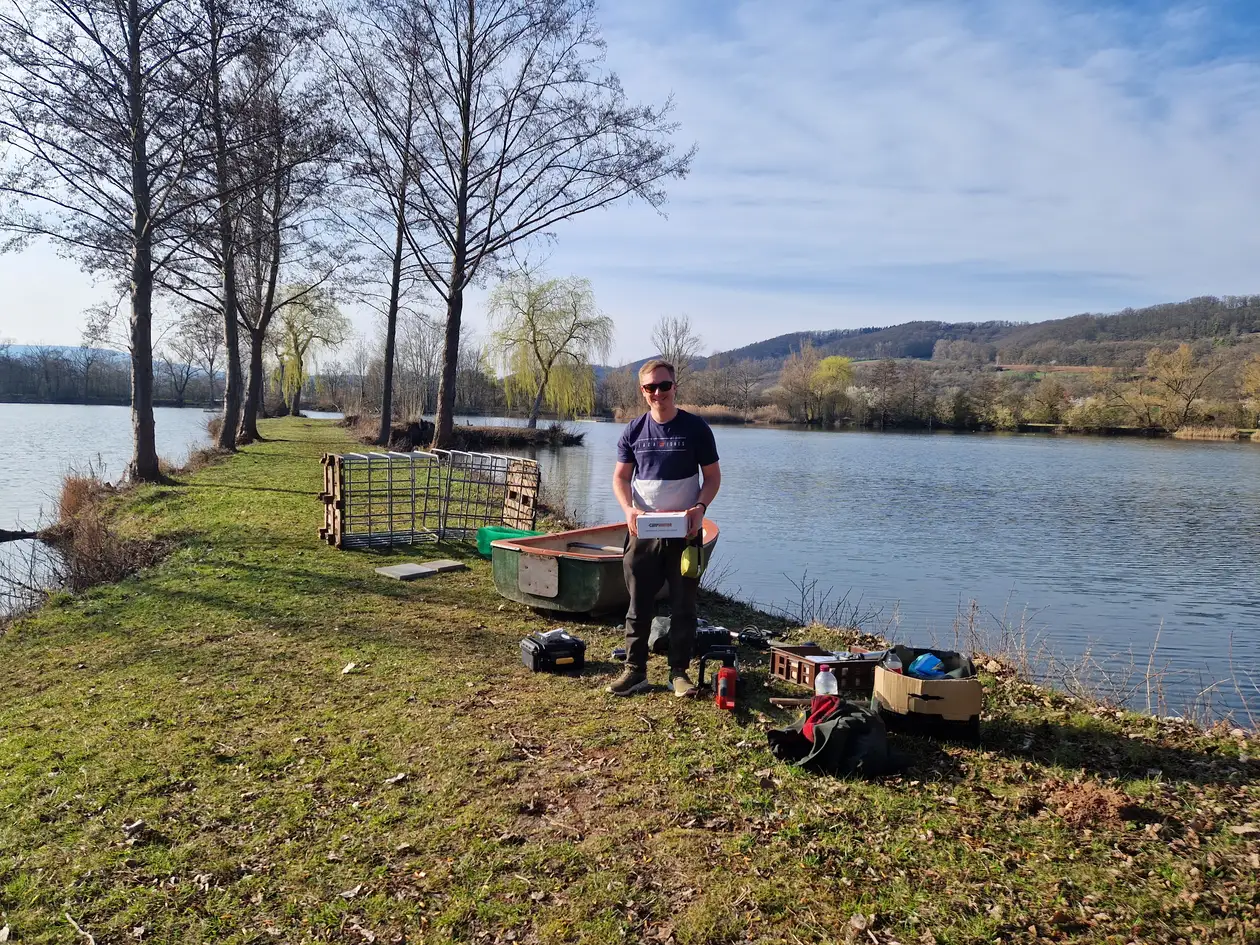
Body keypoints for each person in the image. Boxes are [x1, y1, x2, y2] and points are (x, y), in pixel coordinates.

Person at [607, 359, 721, 697]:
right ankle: (635, 671)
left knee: (684, 606)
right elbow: (620, 478)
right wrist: (628, 509)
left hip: (686, 534)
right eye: (650, 387)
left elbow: (712, 477)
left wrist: (700, 508)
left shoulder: (696, 428)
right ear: (642, 391)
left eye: (664, 385)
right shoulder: (633, 431)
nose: (658, 392)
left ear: (675, 386)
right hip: (642, 533)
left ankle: (679, 674)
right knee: (638, 605)